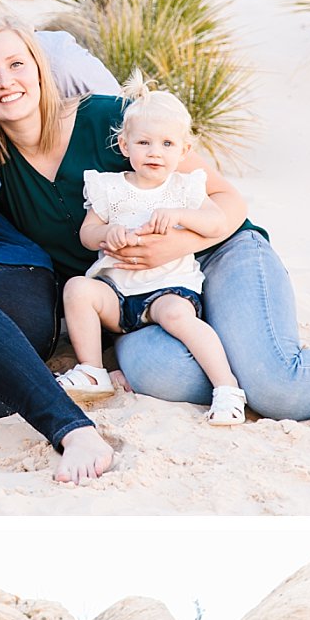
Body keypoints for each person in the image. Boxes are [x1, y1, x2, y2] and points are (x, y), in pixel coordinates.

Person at [0, 13, 310, 420]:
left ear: (39, 67)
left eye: (16, 64)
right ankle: (247, 365)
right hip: (145, 298)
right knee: (153, 373)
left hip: (219, 253)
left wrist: (180, 242)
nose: (6, 82)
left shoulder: (107, 118)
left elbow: (227, 199)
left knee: (275, 387)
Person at [61, 92, 245, 420]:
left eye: (167, 144)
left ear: (185, 150)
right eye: (144, 143)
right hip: (117, 293)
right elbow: (87, 236)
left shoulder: (184, 189)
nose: (155, 153)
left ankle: (226, 387)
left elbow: (216, 221)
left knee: (178, 316)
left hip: (167, 287)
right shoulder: (109, 187)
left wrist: (180, 215)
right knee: (77, 289)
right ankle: (92, 371)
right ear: (124, 146)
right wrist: (107, 233)